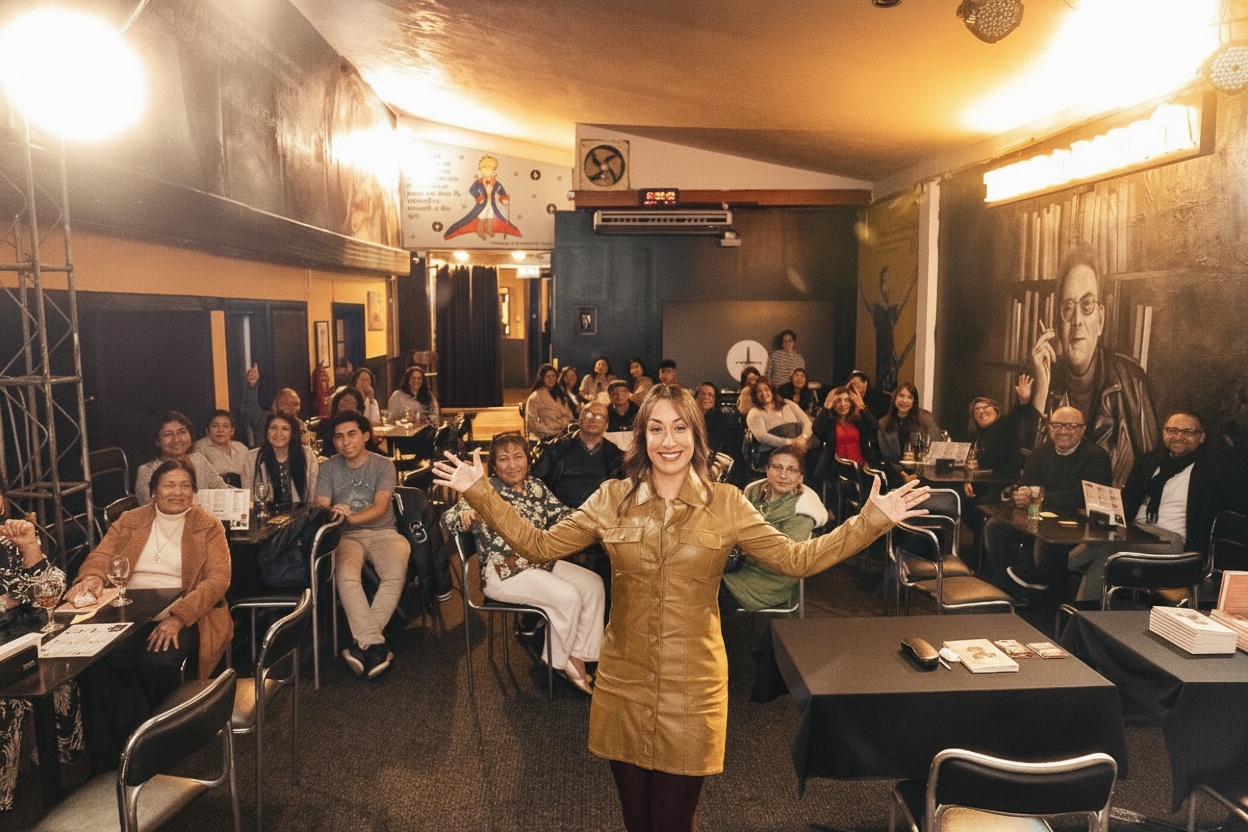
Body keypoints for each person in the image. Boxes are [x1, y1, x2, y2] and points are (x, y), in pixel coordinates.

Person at [432, 384, 930, 832]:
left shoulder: (728, 502)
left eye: (679, 428)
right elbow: (539, 545)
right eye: (655, 428)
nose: (668, 441)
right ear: (640, 437)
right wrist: (480, 491)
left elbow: (796, 559)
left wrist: (869, 522)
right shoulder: (612, 498)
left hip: (691, 683)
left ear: (696, 435)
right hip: (623, 679)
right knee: (638, 821)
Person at [66, 459, 233, 772]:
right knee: (95, 667)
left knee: (157, 662)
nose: (177, 492)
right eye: (169, 485)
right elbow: (101, 556)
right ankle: (108, 761)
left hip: (186, 614)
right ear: (153, 490)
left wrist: (178, 617)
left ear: (194, 492)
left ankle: (158, 750)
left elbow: (217, 581)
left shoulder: (208, 525)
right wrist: (92, 577)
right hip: (128, 612)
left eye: (185, 486)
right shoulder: (131, 519)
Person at [444, 433, 604, 694]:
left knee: (593, 584)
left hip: (540, 563)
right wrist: (465, 512)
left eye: (518, 457)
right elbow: (447, 520)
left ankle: (579, 653)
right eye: (503, 459)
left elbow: (563, 515)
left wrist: (594, 519)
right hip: (503, 573)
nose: (512, 464)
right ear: (493, 466)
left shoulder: (536, 486)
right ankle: (564, 663)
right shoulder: (486, 489)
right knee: (569, 597)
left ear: (528, 461)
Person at [1065, 410, 1244, 601]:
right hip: (1136, 532)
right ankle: (1083, 616)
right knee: (1102, 555)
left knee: (1107, 550)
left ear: (1201, 437)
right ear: (1164, 433)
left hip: (1172, 543)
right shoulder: (1150, 461)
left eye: (1187, 432)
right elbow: (1127, 502)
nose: (1178, 436)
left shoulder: (1212, 470)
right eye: (1172, 430)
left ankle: (1064, 566)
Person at [1028, 249, 1159, 485]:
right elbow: (1028, 466)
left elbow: (1153, 466)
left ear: (1100, 319)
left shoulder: (1131, 381)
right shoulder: (1045, 377)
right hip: (1054, 508)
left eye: (1086, 305)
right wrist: (1041, 392)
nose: (1077, 320)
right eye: (1068, 308)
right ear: (1059, 323)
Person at [314, 412, 410, 679]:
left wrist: (350, 516)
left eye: (352, 434)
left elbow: (380, 508)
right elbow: (321, 506)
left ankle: (362, 644)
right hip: (345, 536)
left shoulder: (383, 465)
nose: (345, 442)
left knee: (394, 573)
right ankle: (375, 645)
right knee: (346, 576)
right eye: (339, 436)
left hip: (384, 532)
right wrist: (332, 510)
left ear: (366, 435)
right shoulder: (328, 468)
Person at [1, 490, 80, 809]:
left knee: (62, 663)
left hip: (18, 640)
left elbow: (55, 589)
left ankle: (62, 761)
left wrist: (31, 549)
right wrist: (13, 600)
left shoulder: (10, 541)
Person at [987, 406, 1113, 593]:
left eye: (1070, 426)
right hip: (1037, 517)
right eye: (1056, 425)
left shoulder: (1096, 456)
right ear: (1049, 427)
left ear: (1082, 430)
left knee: (1049, 536)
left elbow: (1082, 496)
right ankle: (1006, 584)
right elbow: (1027, 485)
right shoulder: (1040, 453)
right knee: (995, 526)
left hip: (1075, 525)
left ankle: (1040, 587)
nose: (1062, 431)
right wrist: (1021, 495)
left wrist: (1039, 497)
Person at [720, 444, 828, 612]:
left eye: (792, 470)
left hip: (769, 580)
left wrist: (742, 542)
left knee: (699, 596)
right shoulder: (754, 491)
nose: (783, 475)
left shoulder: (803, 511)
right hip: (736, 566)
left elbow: (786, 558)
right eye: (777, 467)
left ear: (800, 477)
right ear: (767, 470)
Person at [534, 402, 624, 509]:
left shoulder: (615, 454)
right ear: (579, 420)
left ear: (606, 425)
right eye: (588, 415)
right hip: (562, 514)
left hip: (601, 514)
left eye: (600, 417)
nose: (593, 420)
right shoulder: (557, 448)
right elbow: (537, 481)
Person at [134, 411, 227, 505]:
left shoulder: (198, 459)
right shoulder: (147, 471)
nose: (177, 439)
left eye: (182, 432)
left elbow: (222, 489)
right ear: (157, 441)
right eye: (168, 434)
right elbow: (150, 508)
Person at [243, 411, 320, 506]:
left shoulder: (307, 455)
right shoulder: (251, 458)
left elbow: (313, 495)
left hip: (300, 515)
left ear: (292, 433)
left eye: (285, 429)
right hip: (264, 515)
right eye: (273, 428)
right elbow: (248, 499)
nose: (278, 433)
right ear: (267, 432)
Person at [861, 266, 918, 394]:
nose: (886, 286)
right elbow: (864, 296)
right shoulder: (876, 310)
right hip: (880, 356)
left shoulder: (893, 311)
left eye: (888, 281)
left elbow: (905, 295)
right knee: (880, 388)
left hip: (890, 357)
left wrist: (913, 277)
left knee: (891, 389)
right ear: (880, 285)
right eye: (884, 281)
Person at [876, 382, 941, 484]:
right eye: (901, 396)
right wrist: (901, 474)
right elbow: (885, 455)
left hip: (922, 474)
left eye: (909, 397)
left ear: (914, 401)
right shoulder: (884, 423)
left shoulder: (925, 418)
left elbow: (936, 448)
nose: (904, 401)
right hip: (895, 473)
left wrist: (917, 475)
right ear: (895, 398)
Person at [745, 377, 813, 458]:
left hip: (800, 450)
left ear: (772, 391)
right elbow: (762, 437)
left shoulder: (789, 404)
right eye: (759, 391)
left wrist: (803, 438)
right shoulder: (754, 413)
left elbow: (807, 423)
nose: (764, 393)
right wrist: (790, 442)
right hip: (771, 455)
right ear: (755, 395)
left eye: (766, 389)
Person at [193, 409, 249, 487]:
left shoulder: (241, 448)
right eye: (215, 426)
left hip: (241, 493)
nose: (220, 430)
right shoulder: (199, 448)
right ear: (207, 430)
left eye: (225, 426)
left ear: (232, 431)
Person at [526, 363, 576, 439]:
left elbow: (569, 414)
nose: (551, 379)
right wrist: (548, 431)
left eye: (553, 376)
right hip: (547, 435)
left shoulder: (560, 394)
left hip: (565, 431)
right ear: (542, 378)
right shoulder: (535, 397)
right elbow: (532, 423)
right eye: (547, 376)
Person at [387, 365, 440, 429]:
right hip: (403, 433)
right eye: (413, 378)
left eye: (419, 378)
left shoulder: (429, 395)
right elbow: (391, 419)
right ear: (408, 379)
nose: (416, 381)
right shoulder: (398, 395)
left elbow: (435, 417)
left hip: (425, 433)